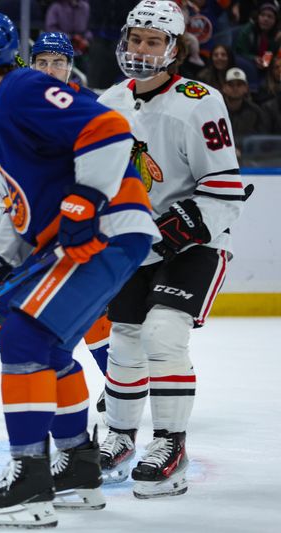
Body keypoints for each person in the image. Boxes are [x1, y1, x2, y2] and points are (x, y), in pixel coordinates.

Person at [0, 11, 156, 528]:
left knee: (22, 339)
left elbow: (108, 127)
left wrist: (84, 201)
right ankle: (79, 468)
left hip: (105, 231)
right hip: (89, 238)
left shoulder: (20, 89)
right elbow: (20, 209)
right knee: (48, 347)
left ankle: (28, 481)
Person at [97, 0, 247, 499]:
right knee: (125, 337)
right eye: (135, 39)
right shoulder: (109, 100)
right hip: (134, 245)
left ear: (175, 49)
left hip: (195, 243)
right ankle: (117, 439)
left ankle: (170, 446)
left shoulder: (200, 100)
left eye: (152, 41)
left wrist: (179, 227)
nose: (140, 50)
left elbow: (224, 187)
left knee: (162, 334)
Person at [0, 31, 114, 421]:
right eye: (42, 62)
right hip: (27, 224)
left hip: (78, 224)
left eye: (58, 62)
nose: (50, 69)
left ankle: (118, 383)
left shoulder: (88, 105)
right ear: (32, 65)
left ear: (71, 66)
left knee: (92, 312)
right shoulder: (11, 105)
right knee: (5, 300)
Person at [221, 66, 267, 158]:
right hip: (221, 157)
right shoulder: (217, 110)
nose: (235, 88)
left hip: (249, 158)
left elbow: (262, 139)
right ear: (224, 88)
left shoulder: (255, 111)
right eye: (231, 85)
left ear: (246, 88)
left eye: (239, 84)